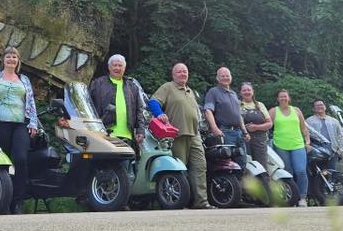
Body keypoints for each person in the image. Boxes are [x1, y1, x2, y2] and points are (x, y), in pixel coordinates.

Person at [0, 46, 39, 214]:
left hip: (21, 124)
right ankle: (1, 199)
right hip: (0, 123)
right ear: (3, 60)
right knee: (2, 161)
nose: (11, 60)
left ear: (18, 61)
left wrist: (33, 123)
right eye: (8, 57)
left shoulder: (24, 79)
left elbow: (31, 102)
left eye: (14, 57)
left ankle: (18, 201)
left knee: (20, 159)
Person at [149, 63, 213, 209]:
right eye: (179, 72)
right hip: (176, 134)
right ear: (173, 75)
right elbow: (153, 102)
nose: (183, 73)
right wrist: (159, 114)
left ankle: (201, 202)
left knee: (200, 167)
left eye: (185, 71)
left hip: (194, 134)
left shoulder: (190, 91)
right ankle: (179, 202)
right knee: (179, 170)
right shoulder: (168, 87)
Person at [89, 54, 146, 145]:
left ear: (124, 68)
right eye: (114, 65)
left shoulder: (132, 87)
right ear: (109, 67)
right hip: (103, 134)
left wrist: (141, 130)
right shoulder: (97, 83)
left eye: (120, 66)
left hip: (127, 136)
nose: (117, 68)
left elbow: (139, 110)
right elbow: (88, 105)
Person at [269, 90, 311, 207]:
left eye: (285, 96)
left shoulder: (296, 110)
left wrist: (307, 141)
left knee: (301, 171)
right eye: (281, 97)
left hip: (297, 145)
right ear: (278, 99)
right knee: (287, 172)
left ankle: (302, 198)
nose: (283, 99)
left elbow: (304, 128)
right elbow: (267, 125)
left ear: (289, 98)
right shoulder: (273, 111)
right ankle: (290, 198)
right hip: (280, 145)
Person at [203, 67, 249, 154]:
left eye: (227, 76)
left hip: (239, 133)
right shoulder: (213, 92)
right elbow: (208, 111)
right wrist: (215, 128)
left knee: (242, 162)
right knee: (229, 163)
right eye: (222, 76)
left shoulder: (234, 94)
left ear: (231, 77)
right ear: (217, 78)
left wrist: (245, 132)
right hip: (225, 132)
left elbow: (238, 115)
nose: (225, 78)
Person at [239, 82, 271, 171]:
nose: (247, 92)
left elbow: (269, 124)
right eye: (244, 90)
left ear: (253, 92)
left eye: (249, 90)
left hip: (260, 141)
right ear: (241, 93)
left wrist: (256, 127)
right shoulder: (237, 105)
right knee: (247, 169)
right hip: (244, 141)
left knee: (262, 168)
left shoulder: (260, 105)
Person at [306, 100, 343, 171]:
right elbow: (305, 135)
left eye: (321, 105)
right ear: (313, 109)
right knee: (318, 174)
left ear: (325, 107)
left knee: (332, 173)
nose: (320, 107)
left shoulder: (334, 121)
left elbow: (340, 135)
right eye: (317, 105)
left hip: (333, 151)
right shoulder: (309, 121)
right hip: (317, 152)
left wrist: (340, 150)